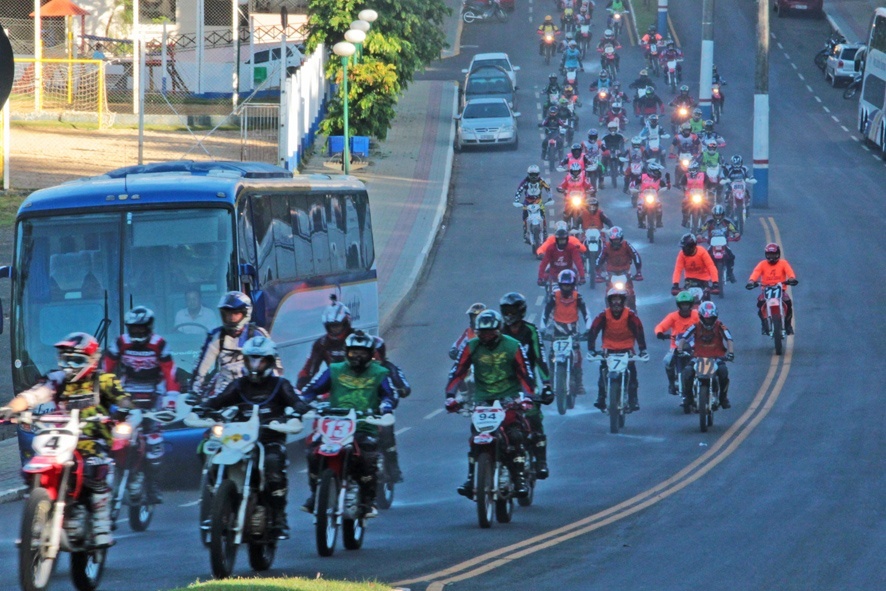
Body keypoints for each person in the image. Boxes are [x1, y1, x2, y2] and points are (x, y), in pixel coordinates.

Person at [2, 333, 134, 548]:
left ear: (92, 360)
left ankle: (100, 521)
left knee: (97, 467)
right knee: (34, 465)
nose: (70, 365)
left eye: (77, 360)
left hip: (92, 439)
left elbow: (124, 399)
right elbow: (34, 394)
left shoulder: (104, 380)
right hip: (59, 436)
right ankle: (37, 513)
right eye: (65, 359)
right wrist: (12, 408)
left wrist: (122, 410)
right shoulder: (57, 379)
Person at [199, 336, 309, 539]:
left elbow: (297, 401)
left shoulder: (280, 385)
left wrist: (298, 410)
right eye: (251, 360)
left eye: (261, 360)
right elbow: (218, 400)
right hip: (239, 439)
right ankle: (217, 510)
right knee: (213, 457)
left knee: (273, 464)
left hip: (270, 439)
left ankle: (278, 517)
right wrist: (204, 407)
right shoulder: (238, 385)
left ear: (270, 361)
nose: (255, 365)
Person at [296, 296, 410, 482]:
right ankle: (320, 473)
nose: (335, 331)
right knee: (316, 432)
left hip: (365, 391)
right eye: (331, 327)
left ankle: (392, 464)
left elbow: (380, 369)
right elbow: (308, 369)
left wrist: (390, 393)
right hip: (334, 392)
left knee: (383, 426)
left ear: (346, 323)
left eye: (338, 326)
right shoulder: (321, 345)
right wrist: (300, 390)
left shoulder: (362, 342)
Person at [300, 331, 398, 518]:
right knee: (312, 452)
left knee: (368, 457)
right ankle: (315, 495)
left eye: (363, 353)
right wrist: (302, 403)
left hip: (364, 425)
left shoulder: (380, 373)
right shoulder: (334, 369)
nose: (358, 357)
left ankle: (367, 502)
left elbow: (389, 395)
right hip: (333, 424)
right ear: (346, 352)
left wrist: (385, 408)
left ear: (371, 354)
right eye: (354, 352)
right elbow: (311, 390)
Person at [445, 310, 536, 499]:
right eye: (482, 333)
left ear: (499, 330)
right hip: (482, 399)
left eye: (490, 332)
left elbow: (525, 373)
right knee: (475, 435)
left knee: (515, 434)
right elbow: (458, 372)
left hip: (509, 398)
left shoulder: (513, 346)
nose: (486, 336)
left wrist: (527, 397)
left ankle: (519, 477)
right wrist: (450, 396)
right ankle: (472, 477)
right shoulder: (471, 346)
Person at [103, 306, 180, 503]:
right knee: (108, 435)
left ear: (149, 327)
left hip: (155, 394)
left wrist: (170, 405)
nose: (137, 332)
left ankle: (153, 484)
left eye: (141, 329)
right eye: (133, 329)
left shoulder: (160, 345)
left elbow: (171, 376)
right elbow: (105, 371)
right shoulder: (120, 343)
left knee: (154, 443)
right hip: (127, 394)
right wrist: (102, 398)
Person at [500, 292, 554, 479]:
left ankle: (540, 461)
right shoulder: (498, 332)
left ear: (521, 311)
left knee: (533, 417)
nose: (508, 315)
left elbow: (540, 358)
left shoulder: (530, 331)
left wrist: (546, 384)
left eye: (512, 311)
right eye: (505, 311)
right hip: (502, 384)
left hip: (527, 383)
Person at [190, 291, 279, 399]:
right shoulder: (216, 336)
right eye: (227, 314)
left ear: (246, 313)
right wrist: (194, 392)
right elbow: (202, 366)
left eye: (235, 313)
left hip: (254, 388)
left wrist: (277, 390)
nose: (231, 318)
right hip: (224, 390)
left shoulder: (258, 334)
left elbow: (274, 365)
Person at [587, 288, 649, 411]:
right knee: (603, 372)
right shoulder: (603, 315)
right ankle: (601, 397)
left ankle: (633, 399)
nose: (616, 303)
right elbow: (593, 330)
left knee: (632, 373)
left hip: (627, 350)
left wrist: (643, 349)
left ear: (623, 301)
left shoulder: (630, 315)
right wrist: (591, 349)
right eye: (613, 300)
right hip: (608, 350)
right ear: (609, 302)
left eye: (618, 300)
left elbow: (639, 331)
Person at [676, 301, 734, 409]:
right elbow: (683, 337)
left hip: (716, 357)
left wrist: (730, 353)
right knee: (687, 372)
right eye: (706, 318)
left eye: (711, 318)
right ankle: (688, 397)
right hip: (698, 357)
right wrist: (680, 350)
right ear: (701, 317)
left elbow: (729, 339)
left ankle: (723, 398)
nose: (708, 321)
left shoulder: (720, 326)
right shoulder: (695, 326)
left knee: (723, 372)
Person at [540, 270, 591, 395]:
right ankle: (551, 381)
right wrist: (542, 328)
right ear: (560, 285)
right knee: (552, 355)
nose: (566, 288)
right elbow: (545, 314)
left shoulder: (577, 297)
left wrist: (589, 328)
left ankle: (579, 383)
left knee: (577, 355)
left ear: (573, 285)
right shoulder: (554, 296)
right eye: (564, 285)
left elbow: (587, 314)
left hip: (573, 332)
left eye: (568, 285)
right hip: (557, 332)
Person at [746, 243, 799, 335]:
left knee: (788, 302)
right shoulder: (762, 264)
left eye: (774, 255)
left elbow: (790, 272)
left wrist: (791, 278)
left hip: (780, 290)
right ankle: (764, 324)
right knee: (760, 303)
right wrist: (751, 281)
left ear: (778, 254)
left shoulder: (783, 263)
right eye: (769, 255)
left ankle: (788, 325)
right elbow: (756, 273)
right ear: (766, 254)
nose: (772, 257)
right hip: (766, 290)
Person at [654, 291, 699, 396]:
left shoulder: (697, 315)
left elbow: (706, 323)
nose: (685, 307)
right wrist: (659, 333)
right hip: (676, 347)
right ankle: (671, 383)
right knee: (667, 361)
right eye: (683, 304)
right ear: (679, 305)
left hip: (694, 347)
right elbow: (660, 326)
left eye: (687, 304)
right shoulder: (672, 316)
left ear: (691, 304)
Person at [697, 204, 740, 283]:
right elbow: (701, 230)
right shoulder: (709, 222)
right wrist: (699, 235)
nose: (718, 217)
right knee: (704, 258)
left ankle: (730, 273)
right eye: (716, 215)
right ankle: (704, 274)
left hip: (724, 245)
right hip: (712, 245)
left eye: (719, 215)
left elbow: (734, 230)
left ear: (722, 215)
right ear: (713, 215)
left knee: (731, 256)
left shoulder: (727, 223)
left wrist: (736, 234)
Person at [514, 164, 554, 242]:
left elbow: (548, 189)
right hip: (527, 202)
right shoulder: (525, 182)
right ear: (528, 174)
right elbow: (519, 190)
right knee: (524, 216)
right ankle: (525, 232)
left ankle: (545, 231)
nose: (533, 177)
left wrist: (550, 198)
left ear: (538, 174)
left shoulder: (541, 181)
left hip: (539, 202)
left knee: (543, 215)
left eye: (535, 175)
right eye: (531, 174)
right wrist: (517, 200)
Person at [635, 162, 668, 229]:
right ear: (651, 171)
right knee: (639, 208)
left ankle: (659, 222)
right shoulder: (642, 176)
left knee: (659, 206)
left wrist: (667, 186)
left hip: (654, 196)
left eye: (658, 171)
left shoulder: (659, 179)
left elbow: (664, 186)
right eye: (656, 171)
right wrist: (635, 189)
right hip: (643, 196)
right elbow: (635, 184)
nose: (657, 172)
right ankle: (640, 222)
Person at [678, 163, 708, 227]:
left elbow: (708, 183)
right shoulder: (685, 176)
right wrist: (683, 188)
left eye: (693, 169)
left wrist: (709, 188)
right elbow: (681, 183)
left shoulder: (703, 175)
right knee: (684, 204)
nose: (692, 171)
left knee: (707, 205)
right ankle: (685, 219)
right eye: (691, 169)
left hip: (701, 194)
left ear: (697, 169)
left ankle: (704, 219)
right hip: (689, 195)